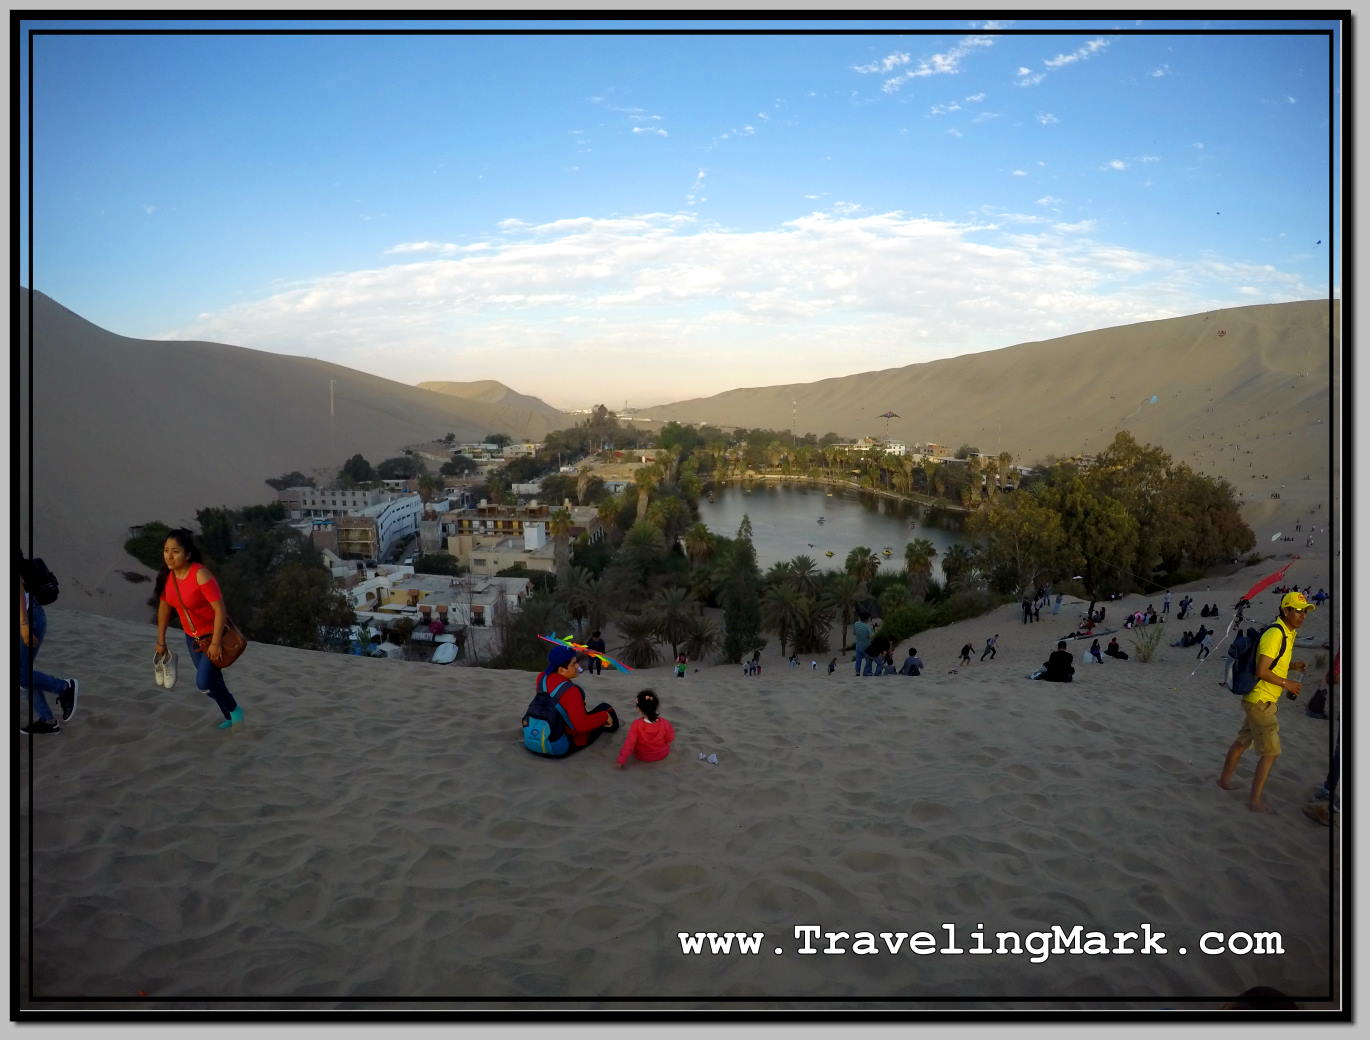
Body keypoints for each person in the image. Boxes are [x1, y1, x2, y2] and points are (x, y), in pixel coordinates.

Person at [1217, 591, 1313, 813]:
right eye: (1298, 611)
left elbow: (1271, 664)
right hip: (1261, 700)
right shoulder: (1275, 635)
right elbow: (1261, 671)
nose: (1302, 616)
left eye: (1305, 611)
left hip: (1261, 700)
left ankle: (1223, 781)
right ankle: (1255, 802)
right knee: (1270, 753)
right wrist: (1287, 683)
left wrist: (1291, 666)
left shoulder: (1288, 634)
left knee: (1242, 742)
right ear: (1285, 610)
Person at [155, 529, 243, 730]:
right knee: (214, 680)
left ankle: (235, 710)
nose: (169, 555)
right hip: (192, 640)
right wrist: (161, 641)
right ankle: (230, 717)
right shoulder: (167, 578)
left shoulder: (200, 575)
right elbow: (164, 609)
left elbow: (220, 609)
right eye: (166, 550)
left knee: (203, 683)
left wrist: (215, 643)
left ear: (187, 554)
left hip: (213, 635)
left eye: (175, 551)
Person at [18, 563, 79, 735]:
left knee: (21, 675)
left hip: (28, 619)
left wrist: (23, 624)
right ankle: (47, 721)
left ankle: (65, 688)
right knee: (23, 673)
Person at [526, 644, 619, 757]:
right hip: (560, 746)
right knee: (605, 708)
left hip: (537, 739)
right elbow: (581, 725)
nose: (577, 666)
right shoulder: (571, 691)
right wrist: (604, 716)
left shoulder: (541, 678)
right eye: (573, 664)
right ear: (561, 669)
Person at [615, 689, 675, 769]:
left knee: (632, 741)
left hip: (643, 756)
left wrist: (620, 761)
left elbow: (629, 745)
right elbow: (670, 738)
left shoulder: (636, 725)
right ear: (656, 706)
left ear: (638, 709)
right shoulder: (665, 723)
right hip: (662, 754)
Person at [852, 611, 873, 676]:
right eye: (869, 618)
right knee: (868, 659)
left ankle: (857, 672)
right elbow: (871, 636)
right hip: (866, 646)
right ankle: (867, 672)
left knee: (858, 660)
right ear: (867, 619)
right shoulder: (868, 626)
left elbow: (854, 633)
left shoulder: (856, 624)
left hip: (858, 645)